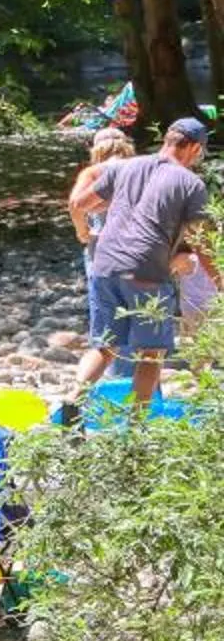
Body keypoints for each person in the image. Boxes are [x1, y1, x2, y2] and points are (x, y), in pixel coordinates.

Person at [68, 115, 211, 417]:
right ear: (194, 148)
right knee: (151, 354)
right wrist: (220, 279)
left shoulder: (126, 167)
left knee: (105, 346)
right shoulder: (191, 183)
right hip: (147, 270)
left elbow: (79, 203)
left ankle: (74, 399)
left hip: (103, 264)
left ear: (168, 140)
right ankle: (138, 426)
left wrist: (84, 233)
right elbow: (201, 240)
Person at [65, 128, 135, 247]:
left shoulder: (92, 172)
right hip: (139, 239)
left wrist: (82, 233)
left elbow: (74, 205)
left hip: (103, 241)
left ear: (97, 149)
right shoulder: (142, 169)